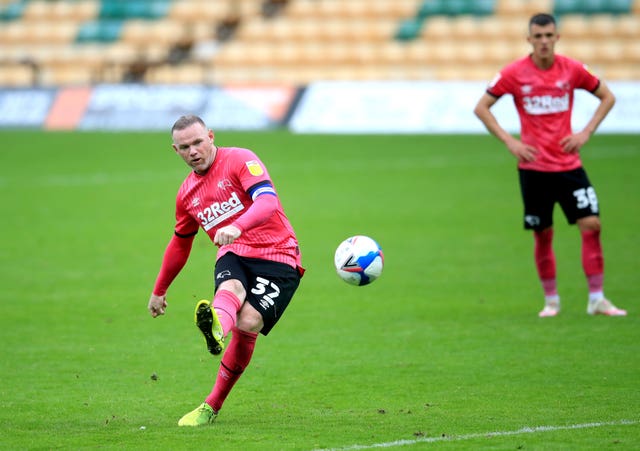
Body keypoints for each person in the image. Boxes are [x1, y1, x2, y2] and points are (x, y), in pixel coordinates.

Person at [147, 114, 304, 426]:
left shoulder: (240, 160)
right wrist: (159, 290)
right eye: (184, 147)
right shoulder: (187, 194)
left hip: (279, 254)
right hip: (235, 251)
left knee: (249, 321)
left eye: (197, 142)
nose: (193, 151)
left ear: (211, 137)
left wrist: (237, 224)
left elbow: (267, 202)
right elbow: (180, 243)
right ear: (175, 151)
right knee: (229, 289)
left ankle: (212, 404)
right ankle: (218, 325)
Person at [473, 13, 626, 318]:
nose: (544, 41)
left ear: (557, 38)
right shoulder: (514, 73)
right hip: (534, 169)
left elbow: (607, 97)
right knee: (542, 234)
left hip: (569, 166)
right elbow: (482, 107)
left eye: (549, 36)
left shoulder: (571, 70)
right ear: (529, 40)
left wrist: (585, 132)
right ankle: (551, 301)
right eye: (538, 36)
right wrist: (511, 142)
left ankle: (597, 298)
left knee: (592, 225)